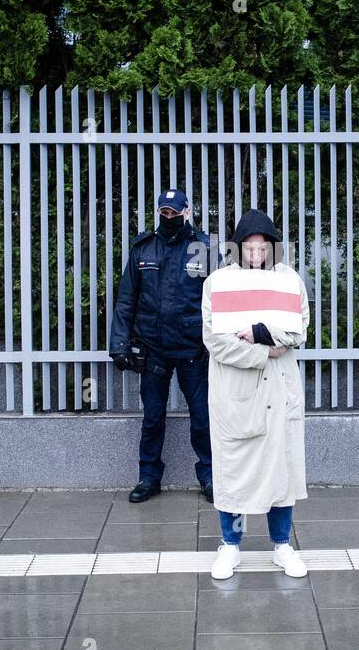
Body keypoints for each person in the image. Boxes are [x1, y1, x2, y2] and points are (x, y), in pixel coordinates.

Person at [202, 209, 310, 579]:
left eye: (262, 247)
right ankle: (230, 547)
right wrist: (267, 350)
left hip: (279, 391)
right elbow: (217, 340)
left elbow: (299, 329)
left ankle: (282, 545)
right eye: (249, 246)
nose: (256, 253)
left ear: (272, 248)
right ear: (238, 248)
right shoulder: (218, 282)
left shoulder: (288, 280)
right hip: (236, 392)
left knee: (282, 470)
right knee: (233, 470)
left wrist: (262, 332)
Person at [109, 190, 215, 504]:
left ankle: (209, 477)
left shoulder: (204, 247)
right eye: (164, 213)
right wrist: (119, 343)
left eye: (174, 213)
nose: (169, 218)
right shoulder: (144, 248)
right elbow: (126, 300)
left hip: (192, 348)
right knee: (153, 417)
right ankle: (148, 477)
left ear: (187, 211)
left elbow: (217, 299)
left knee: (202, 417)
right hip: (153, 347)